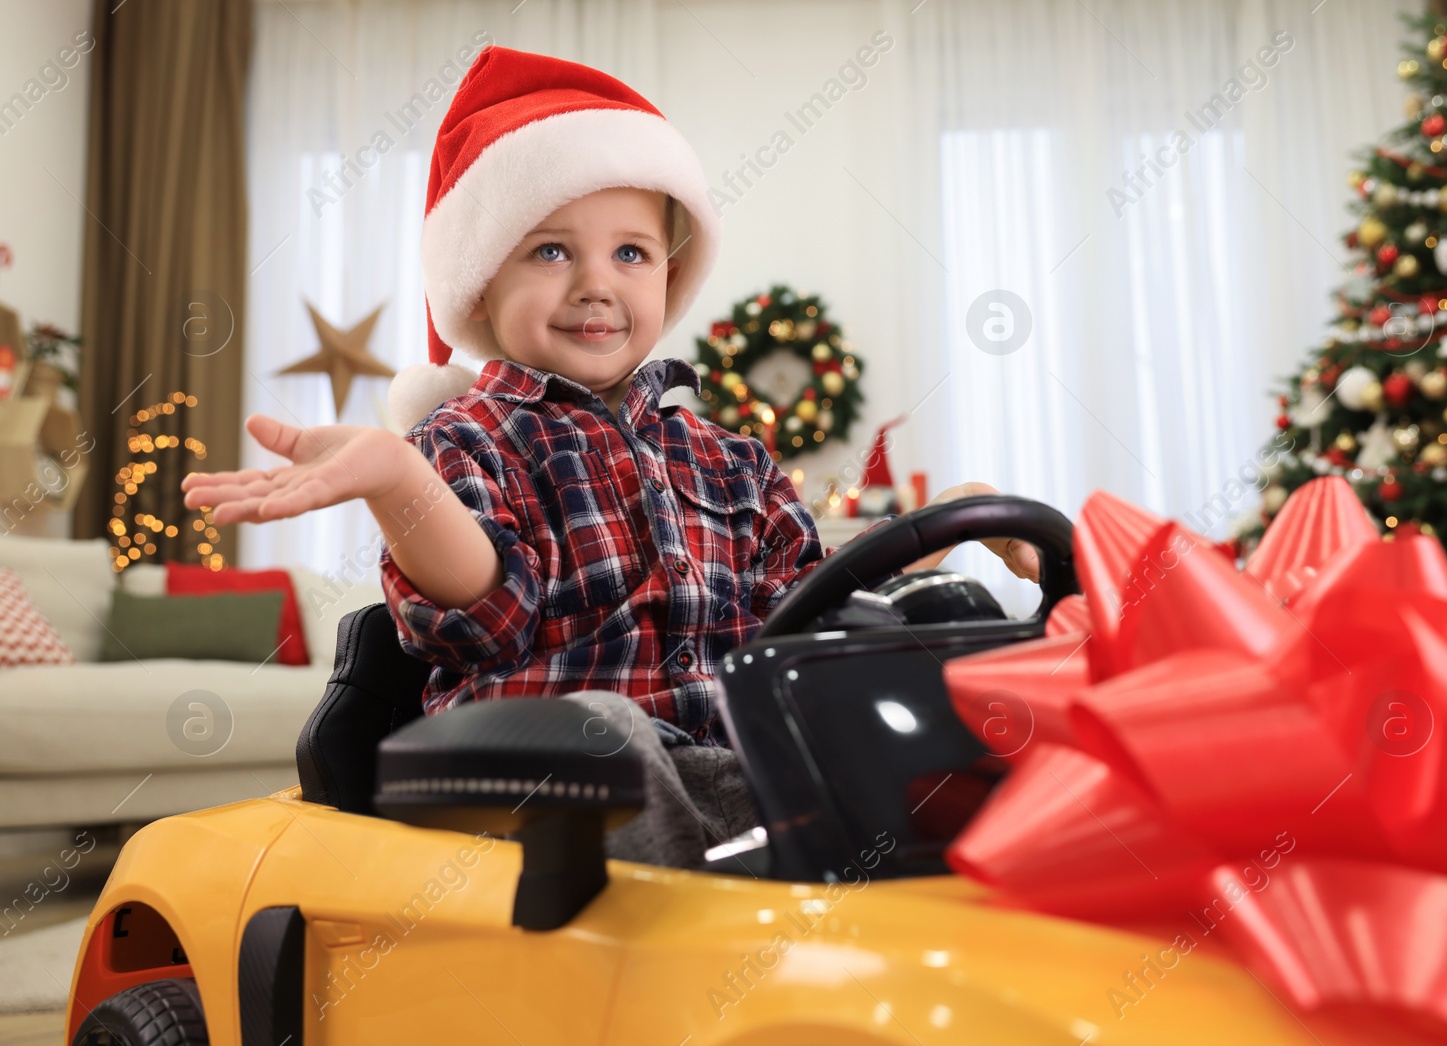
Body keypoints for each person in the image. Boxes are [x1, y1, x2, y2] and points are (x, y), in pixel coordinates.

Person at [181, 48, 1041, 865]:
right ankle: (655, 984)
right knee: (603, 733)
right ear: (480, 281)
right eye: (551, 250)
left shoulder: (732, 460)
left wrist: (943, 525)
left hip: (740, 770)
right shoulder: (467, 439)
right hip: (546, 785)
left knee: (930, 675)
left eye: (630, 252)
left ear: (668, 275)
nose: (596, 282)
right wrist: (397, 480)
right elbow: (489, 615)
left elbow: (809, 603)